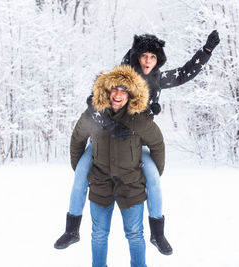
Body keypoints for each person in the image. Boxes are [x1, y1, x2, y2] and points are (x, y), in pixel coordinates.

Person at [54, 30, 220, 255]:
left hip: (136, 144)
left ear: (158, 59)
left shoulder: (158, 78)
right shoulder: (123, 74)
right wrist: (110, 125)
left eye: (153, 57)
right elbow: (93, 101)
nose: (148, 61)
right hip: (104, 141)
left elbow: (183, 74)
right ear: (136, 57)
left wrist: (206, 51)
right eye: (144, 56)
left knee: (152, 177)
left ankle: (157, 233)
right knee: (81, 171)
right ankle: (72, 229)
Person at [70, 64, 165, 267]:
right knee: (98, 235)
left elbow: (157, 143)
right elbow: (77, 139)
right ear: (107, 91)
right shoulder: (92, 116)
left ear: (130, 94)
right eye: (114, 89)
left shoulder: (138, 119)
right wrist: (83, 172)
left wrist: (150, 173)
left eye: (124, 90)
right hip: (100, 185)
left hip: (131, 187)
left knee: (135, 235)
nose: (118, 94)